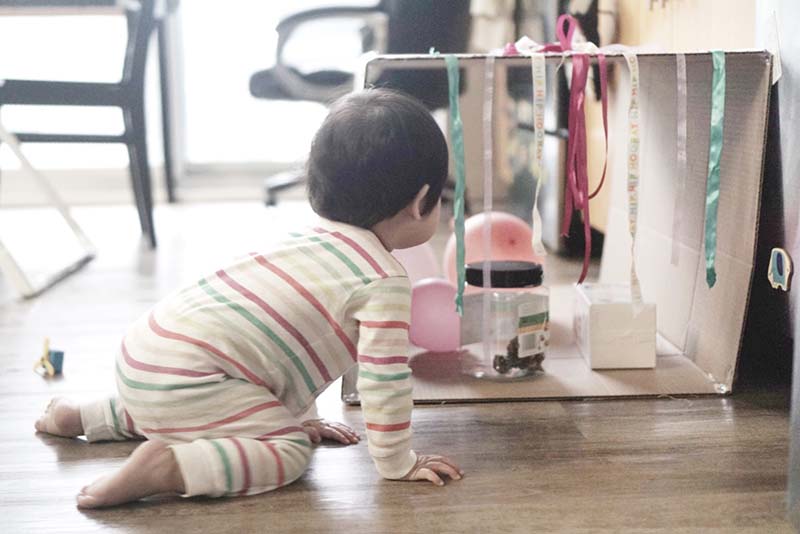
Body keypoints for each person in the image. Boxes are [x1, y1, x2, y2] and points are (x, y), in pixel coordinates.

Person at [34, 88, 463, 508]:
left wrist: (294, 412)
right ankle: (171, 467)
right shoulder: (382, 279)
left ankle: (82, 417)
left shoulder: (304, 239)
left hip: (145, 356)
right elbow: (383, 381)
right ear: (421, 201)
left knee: (186, 406)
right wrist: (396, 461)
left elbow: (282, 342)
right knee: (290, 451)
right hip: (193, 377)